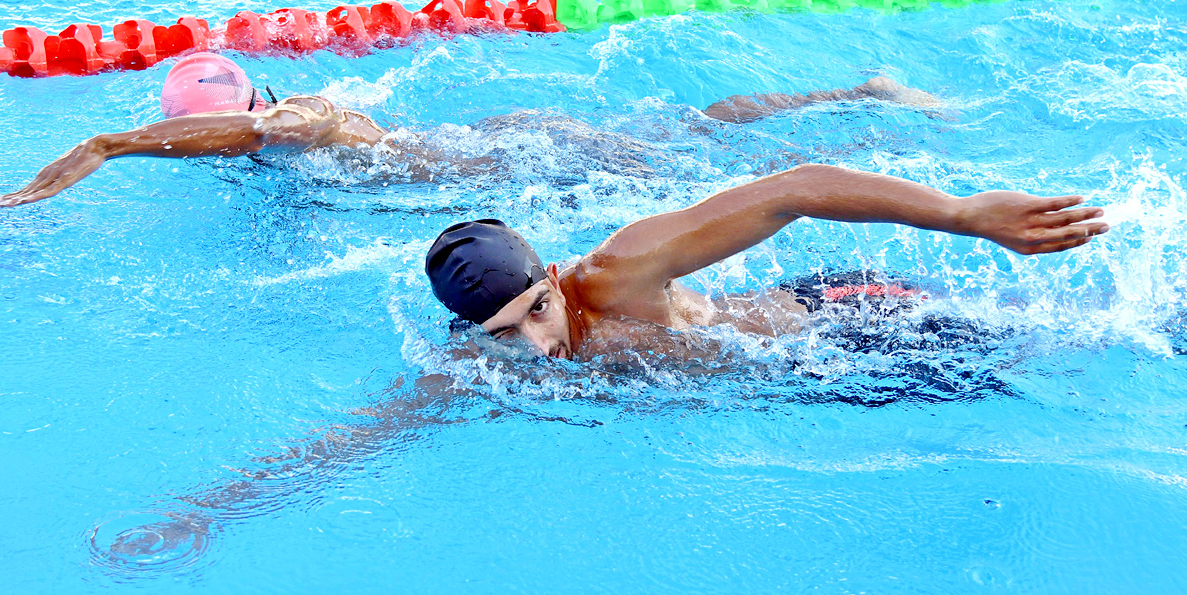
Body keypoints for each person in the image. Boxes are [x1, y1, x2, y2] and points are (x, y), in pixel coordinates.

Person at [0, 52, 940, 208]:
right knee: (690, 129)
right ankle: (855, 92)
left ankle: (863, 120)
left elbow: (263, 135)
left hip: (523, 160)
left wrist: (112, 147)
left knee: (703, 166)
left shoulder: (292, 121)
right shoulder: (290, 115)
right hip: (508, 139)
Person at [425, 165, 1110, 361]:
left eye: (537, 312)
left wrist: (964, 214)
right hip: (813, 365)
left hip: (853, 324)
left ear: (551, 280)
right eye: (508, 333)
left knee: (1095, 336)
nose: (538, 345)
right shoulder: (487, 352)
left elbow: (794, 192)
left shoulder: (618, 270)